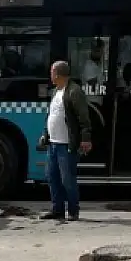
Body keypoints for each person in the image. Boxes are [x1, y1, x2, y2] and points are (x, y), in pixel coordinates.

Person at [37, 61, 93, 221]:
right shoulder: (56, 91)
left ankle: (73, 211)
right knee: (51, 177)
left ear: (58, 75)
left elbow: (84, 118)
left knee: (67, 179)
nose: (50, 76)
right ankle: (57, 210)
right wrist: (45, 134)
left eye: (51, 73)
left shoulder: (74, 92)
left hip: (66, 145)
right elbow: (51, 115)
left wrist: (85, 139)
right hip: (53, 144)